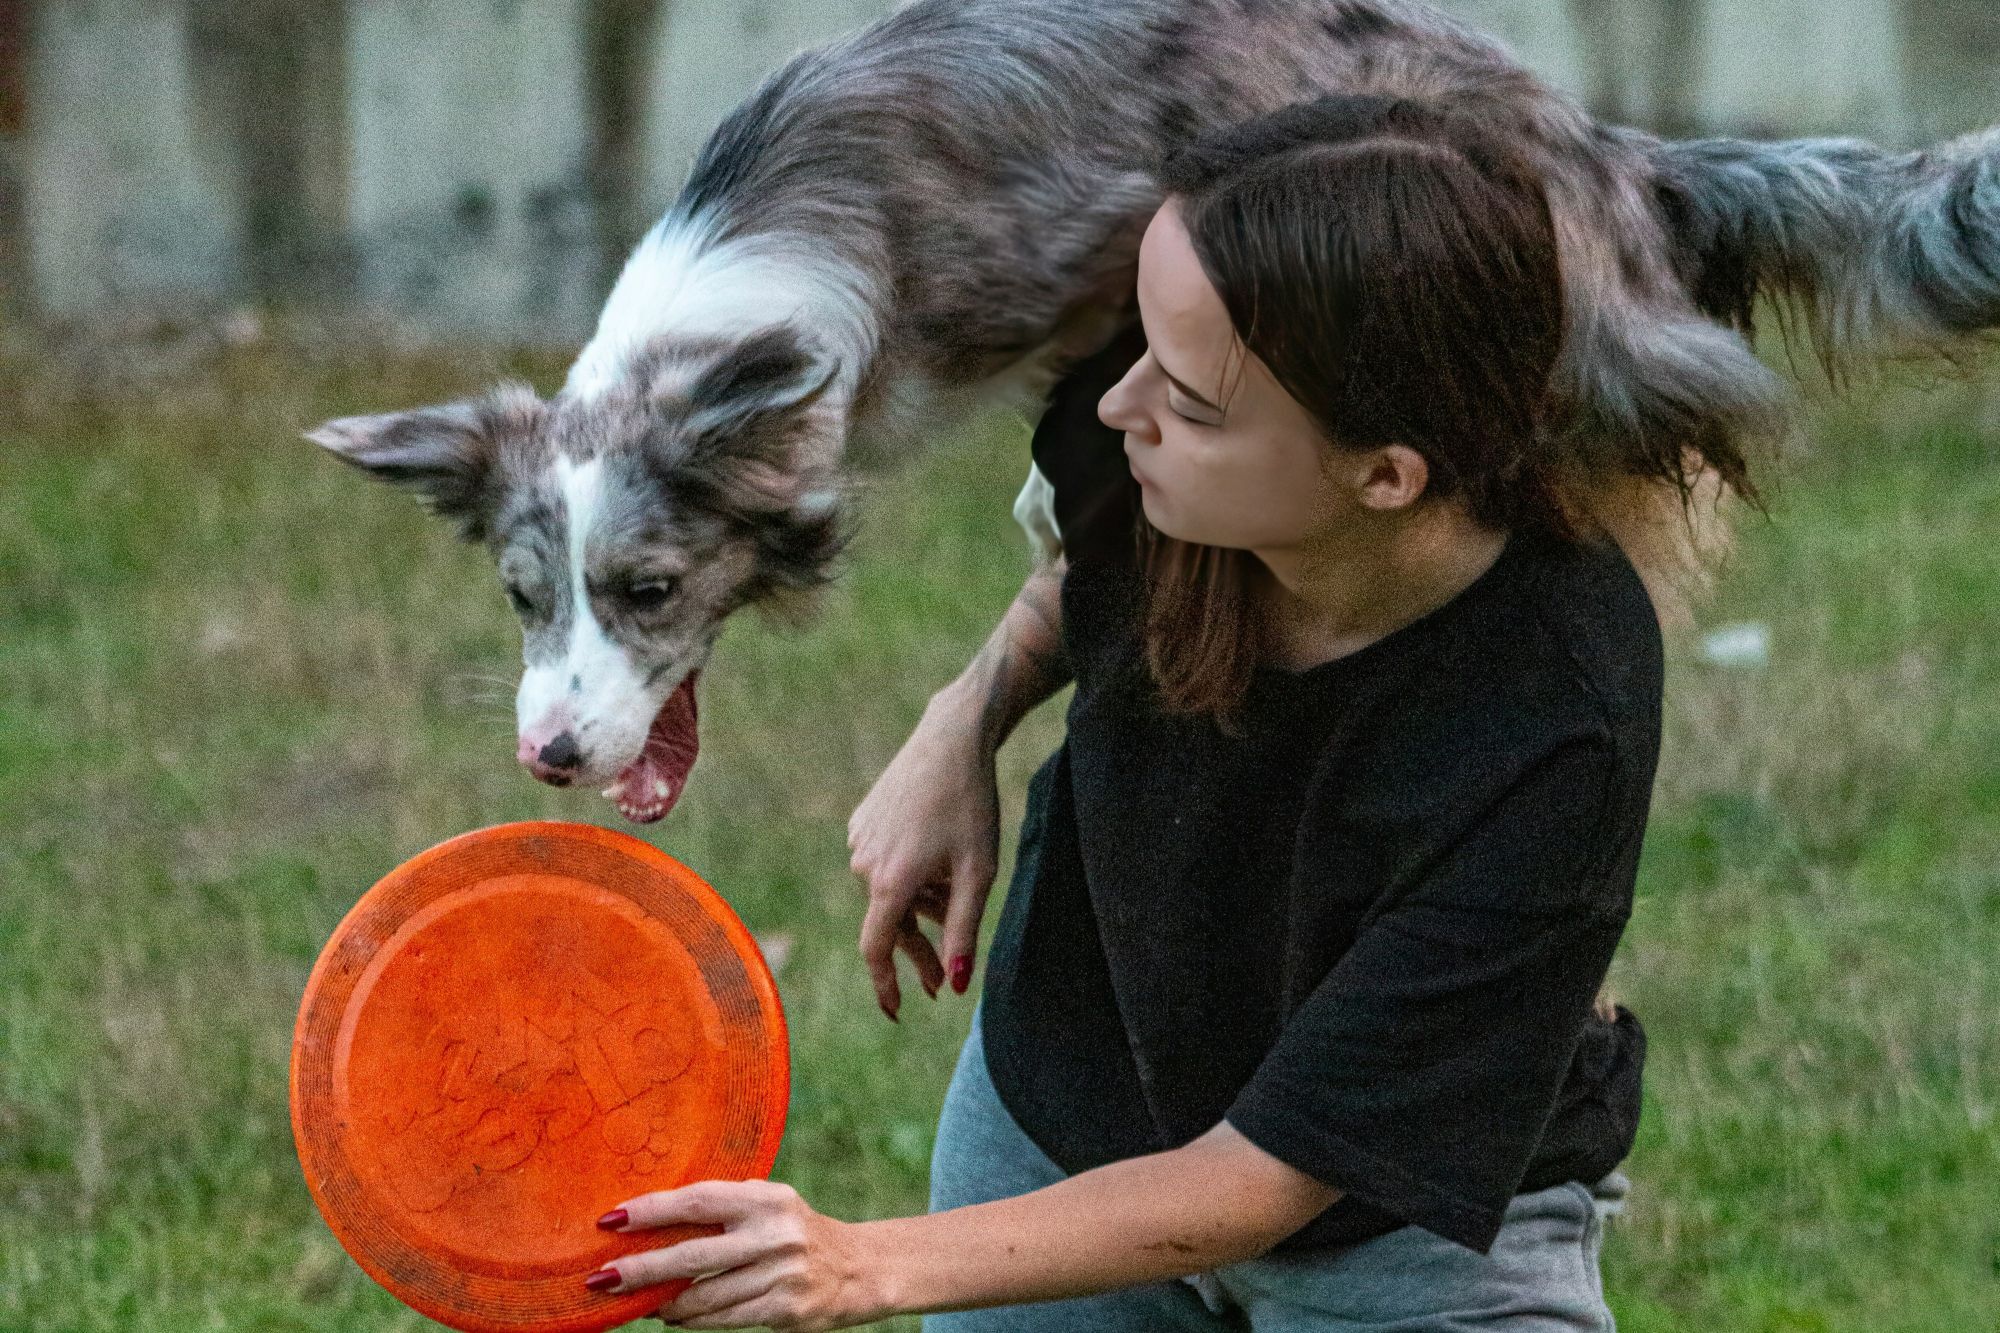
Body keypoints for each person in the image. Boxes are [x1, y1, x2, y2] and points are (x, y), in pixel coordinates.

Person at [579, 95, 1765, 1331]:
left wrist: (859, 1264)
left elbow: (1257, 1180)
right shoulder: (1149, 447)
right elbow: (1071, 577)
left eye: (1190, 399)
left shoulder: (1553, 719)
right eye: (1136, 343)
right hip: (1071, 1101)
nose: (1116, 404)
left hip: (1396, 1219)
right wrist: (961, 723)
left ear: (1384, 474)